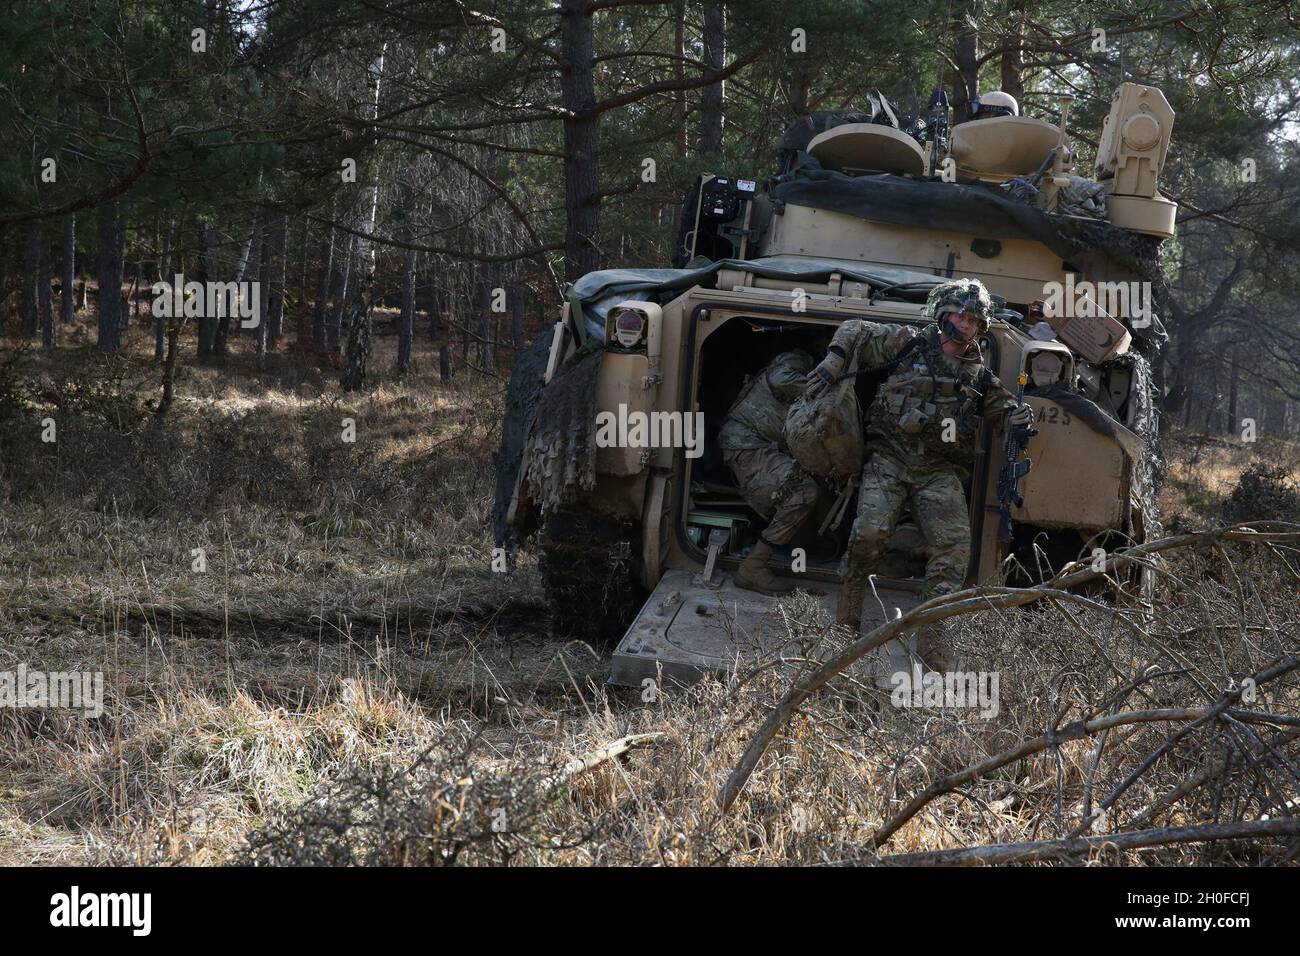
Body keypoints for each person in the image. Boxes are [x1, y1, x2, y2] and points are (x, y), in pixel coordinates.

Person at [805, 278, 1034, 669]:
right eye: (961, 316)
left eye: (974, 320)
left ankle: (932, 638)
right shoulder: (907, 342)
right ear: (943, 314)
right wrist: (834, 360)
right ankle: (848, 617)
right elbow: (855, 328)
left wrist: (1018, 415)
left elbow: (1003, 410)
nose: (967, 324)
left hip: (937, 470)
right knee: (869, 534)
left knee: (954, 549)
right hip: (889, 458)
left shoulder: (978, 375)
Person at [720, 350, 822, 595]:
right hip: (745, 443)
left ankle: (803, 557)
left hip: (762, 444)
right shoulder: (798, 359)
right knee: (803, 492)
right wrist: (823, 387)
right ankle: (753, 566)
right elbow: (780, 379)